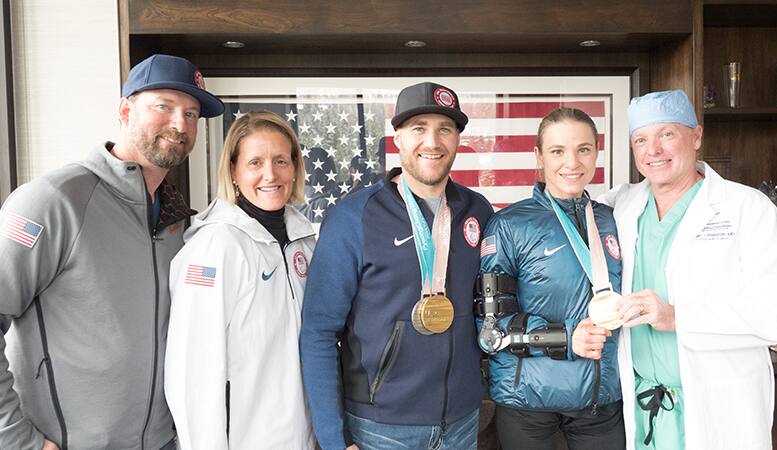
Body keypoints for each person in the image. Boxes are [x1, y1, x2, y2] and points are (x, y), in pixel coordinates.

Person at [0, 54, 223, 450]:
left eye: (191, 114)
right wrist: (18, 441)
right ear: (125, 110)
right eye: (164, 107)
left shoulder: (178, 221)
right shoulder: (54, 201)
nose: (180, 124)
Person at [601, 89, 777, 449]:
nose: (653, 150)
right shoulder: (624, 206)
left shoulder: (747, 209)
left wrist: (678, 316)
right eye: (640, 139)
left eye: (666, 134)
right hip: (647, 410)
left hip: (720, 409)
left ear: (696, 136)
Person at [299, 82, 494, 450]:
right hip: (381, 427)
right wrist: (333, 438)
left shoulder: (478, 211)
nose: (432, 142)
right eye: (419, 128)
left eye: (445, 129)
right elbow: (319, 331)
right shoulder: (354, 217)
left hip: (463, 421)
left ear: (457, 139)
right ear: (399, 137)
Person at [165, 111, 316, 449]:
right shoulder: (215, 245)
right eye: (255, 163)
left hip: (303, 436)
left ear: (294, 168)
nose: (270, 174)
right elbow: (192, 372)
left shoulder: (304, 241)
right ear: (233, 171)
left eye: (281, 160)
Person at [476, 107, 624, 450]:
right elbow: (490, 330)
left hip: (602, 405)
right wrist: (567, 339)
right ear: (539, 156)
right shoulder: (509, 226)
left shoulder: (614, 221)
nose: (571, 162)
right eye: (557, 151)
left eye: (583, 149)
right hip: (529, 407)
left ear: (596, 152)